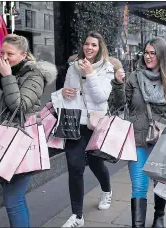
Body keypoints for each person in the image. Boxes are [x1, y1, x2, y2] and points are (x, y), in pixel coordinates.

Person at [0, 34, 57, 227]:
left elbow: (19, 106)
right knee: (15, 199)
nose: (4, 57)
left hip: (19, 144)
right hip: (0, 144)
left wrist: (7, 76)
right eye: (2, 52)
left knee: (12, 201)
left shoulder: (33, 75)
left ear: (24, 54)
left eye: (10, 54)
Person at [110, 37, 166, 228]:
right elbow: (119, 104)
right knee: (139, 185)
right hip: (137, 138)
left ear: (162, 55)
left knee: (159, 184)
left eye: (153, 53)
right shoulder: (134, 77)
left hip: (162, 140)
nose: (148, 56)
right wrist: (118, 85)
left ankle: (159, 217)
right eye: (146, 52)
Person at [59, 31, 114, 228]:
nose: (89, 48)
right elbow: (66, 93)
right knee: (75, 168)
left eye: (94, 45)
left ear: (100, 48)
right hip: (74, 122)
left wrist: (90, 73)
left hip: (95, 124)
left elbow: (101, 98)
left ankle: (106, 190)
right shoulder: (73, 67)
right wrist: (63, 92)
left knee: (96, 163)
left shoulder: (107, 68)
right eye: (87, 44)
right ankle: (77, 215)